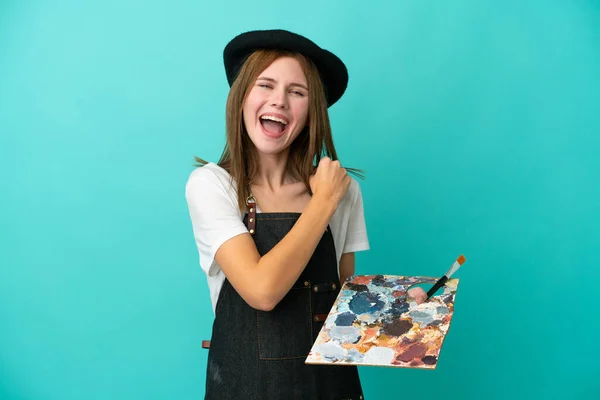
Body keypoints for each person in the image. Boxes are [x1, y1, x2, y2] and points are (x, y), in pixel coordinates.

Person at [186, 29, 427, 400]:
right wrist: (323, 202)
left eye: (297, 92)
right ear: (240, 98)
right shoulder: (211, 185)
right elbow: (262, 290)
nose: (279, 101)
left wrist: (396, 312)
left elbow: (342, 308)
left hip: (331, 389)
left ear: (312, 111)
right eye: (265, 85)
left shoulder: (344, 192)